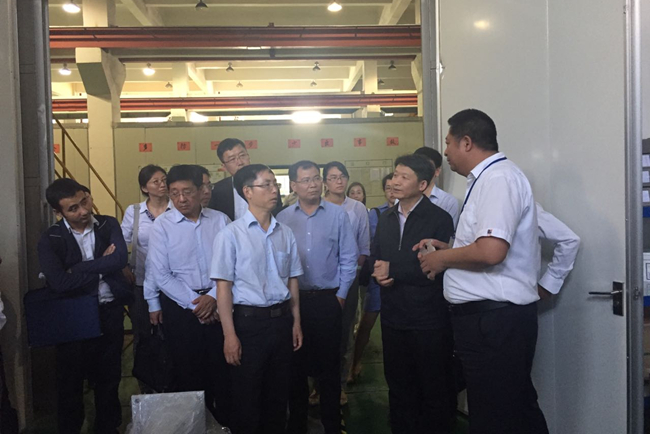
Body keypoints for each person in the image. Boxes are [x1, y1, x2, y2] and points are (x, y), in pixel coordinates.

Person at [417, 109, 549, 434]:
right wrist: (450, 249)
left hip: (494, 323)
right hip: (490, 321)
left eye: (448, 143)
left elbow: (491, 251)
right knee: (515, 410)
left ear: (466, 142)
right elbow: (484, 245)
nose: (445, 151)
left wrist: (442, 260)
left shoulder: (498, 179)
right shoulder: (487, 179)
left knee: (496, 416)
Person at [211, 164, 304, 434]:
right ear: (248, 191)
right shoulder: (230, 235)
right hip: (248, 325)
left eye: (275, 184)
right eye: (267, 185)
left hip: (281, 322)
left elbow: (292, 281)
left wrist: (296, 323)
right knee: (247, 398)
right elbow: (223, 289)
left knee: (278, 397)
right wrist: (229, 335)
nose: (275, 190)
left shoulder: (284, 233)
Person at [37, 178, 132, 434]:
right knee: (70, 382)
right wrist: (102, 266)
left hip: (108, 311)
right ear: (58, 212)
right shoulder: (51, 238)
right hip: (73, 317)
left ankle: (108, 427)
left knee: (109, 378)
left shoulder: (107, 224)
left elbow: (119, 259)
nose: (83, 211)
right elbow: (58, 282)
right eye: (73, 208)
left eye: (84, 202)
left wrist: (77, 269)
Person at [371, 155, 455, 434]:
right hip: (393, 317)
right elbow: (376, 257)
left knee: (433, 388)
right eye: (395, 175)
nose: (395, 181)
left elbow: (433, 269)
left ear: (422, 184)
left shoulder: (439, 218)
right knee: (398, 387)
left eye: (403, 177)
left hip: (428, 320)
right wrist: (377, 273)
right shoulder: (386, 218)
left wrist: (392, 269)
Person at [144, 165, 232, 426]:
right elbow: (161, 274)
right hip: (182, 311)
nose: (181, 199)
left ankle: (224, 426)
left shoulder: (220, 221)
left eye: (187, 192)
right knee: (188, 375)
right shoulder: (162, 226)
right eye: (174, 193)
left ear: (201, 190)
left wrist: (214, 297)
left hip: (221, 305)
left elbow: (234, 264)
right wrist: (197, 305)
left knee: (223, 374)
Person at [277, 160, 358, 434]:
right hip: (295, 302)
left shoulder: (338, 215)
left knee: (329, 367)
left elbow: (348, 258)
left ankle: (332, 424)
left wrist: (341, 296)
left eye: (315, 179)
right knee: (296, 367)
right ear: (294, 185)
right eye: (305, 180)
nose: (312, 185)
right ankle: (297, 424)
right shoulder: (283, 219)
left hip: (327, 300)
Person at [322, 161, 369, 405]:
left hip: (348, 279)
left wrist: (349, 274)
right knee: (319, 335)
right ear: (325, 182)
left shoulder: (357, 208)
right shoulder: (318, 207)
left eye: (342, 176)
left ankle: (339, 385)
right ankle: (318, 387)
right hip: (321, 283)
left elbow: (363, 247)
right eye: (333, 177)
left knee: (344, 333)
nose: (339, 181)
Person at [120, 165, 170, 392]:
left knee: (172, 333)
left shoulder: (176, 207)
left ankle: (172, 384)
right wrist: (123, 266)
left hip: (173, 283)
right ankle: (147, 387)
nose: (162, 185)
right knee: (143, 334)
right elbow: (122, 242)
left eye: (164, 180)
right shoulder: (135, 211)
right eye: (155, 181)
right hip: (141, 283)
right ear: (144, 188)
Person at [349, 173, 394, 382]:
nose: (392, 192)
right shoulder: (376, 214)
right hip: (378, 278)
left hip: (402, 279)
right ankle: (354, 363)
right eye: (388, 188)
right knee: (367, 323)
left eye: (396, 187)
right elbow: (370, 246)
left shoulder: (414, 215)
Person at [208, 138, 282, 220]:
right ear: (224, 166)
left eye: (242, 155)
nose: (240, 162)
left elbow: (277, 214)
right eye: (232, 159)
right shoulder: (217, 190)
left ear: (249, 157)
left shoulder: (269, 185)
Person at [413, 147, 460, 226]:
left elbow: (448, 231)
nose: (420, 171)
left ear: (437, 171)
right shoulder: (403, 197)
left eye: (426, 167)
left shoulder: (448, 202)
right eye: (416, 167)